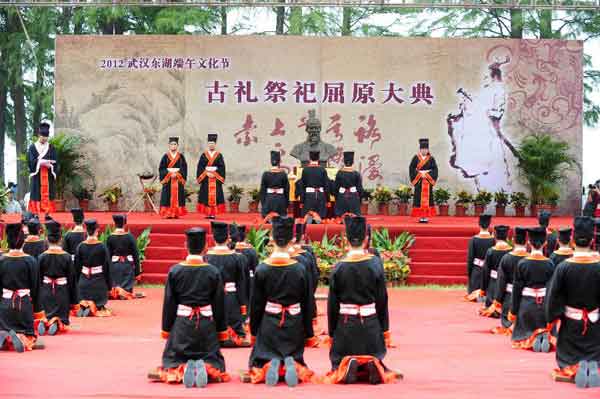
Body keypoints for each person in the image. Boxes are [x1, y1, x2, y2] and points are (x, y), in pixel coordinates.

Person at [148, 227, 230, 387]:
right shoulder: (213, 272)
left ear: (186, 245)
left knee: (172, 360)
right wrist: (221, 331)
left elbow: (169, 303)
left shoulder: (175, 271)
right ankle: (204, 364)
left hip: (182, 327)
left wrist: (166, 329)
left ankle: (183, 366)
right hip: (206, 328)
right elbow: (219, 304)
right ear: (206, 247)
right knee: (214, 361)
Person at [323, 216, 397, 385]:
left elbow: (332, 305)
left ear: (345, 239)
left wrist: (333, 333)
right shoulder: (375, 264)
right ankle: (372, 361)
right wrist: (384, 330)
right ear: (366, 239)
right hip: (370, 325)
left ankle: (347, 362)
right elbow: (382, 300)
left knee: (339, 360)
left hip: (346, 326)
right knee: (374, 351)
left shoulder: (339, 267)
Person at [247, 216, 317, 386]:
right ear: (293, 240)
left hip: (270, 325)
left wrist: (254, 331)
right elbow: (308, 303)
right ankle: (290, 360)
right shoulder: (300, 269)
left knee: (258, 359)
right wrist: (308, 332)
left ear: (271, 238)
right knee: (294, 352)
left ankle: (271, 361)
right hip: (294, 326)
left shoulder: (262, 268)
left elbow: (256, 304)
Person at [546, 217, 600, 388]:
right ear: (592, 240)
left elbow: (553, 297)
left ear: (572, 239)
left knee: (567, 359)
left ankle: (574, 366)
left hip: (570, 328)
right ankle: (593, 363)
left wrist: (552, 319)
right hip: (595, 329)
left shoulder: (563, 267)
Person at [510, 227, 556, 352]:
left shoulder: (522, 264)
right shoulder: (550, 264)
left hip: (527, 307)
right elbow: (552, 290)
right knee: (546, 323)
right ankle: (544, 334)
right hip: (544, 307)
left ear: (529, 242)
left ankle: (532, 337)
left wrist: (513, 311)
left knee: (523, 331)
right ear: (545, 242)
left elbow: (516, 290)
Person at [0, 223, 44, 352]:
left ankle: (6, 335)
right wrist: (38, 313)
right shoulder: (30, 261)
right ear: (23, 242)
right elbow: (35, 290)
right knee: (30, 335)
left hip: (5, 306)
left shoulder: (1, 261)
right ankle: (20, 336)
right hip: (23, 306)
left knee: (3, 327)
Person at [205, 222, 249, 347]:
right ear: (228, 237)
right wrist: (243, 305)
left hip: (212, 298)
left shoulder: (207, 257)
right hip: (231, 297)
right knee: (235, 320)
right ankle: (235, 335)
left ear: (213, 237)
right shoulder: (237, 258)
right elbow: (241, 283)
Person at [37, 220, 79, 336]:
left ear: (47, 239)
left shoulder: (41, 257)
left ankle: (44, 321)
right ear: (61, 239)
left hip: (46, 290)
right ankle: (56, 322)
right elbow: (71, 280)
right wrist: (74, 301)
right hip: (62, 292)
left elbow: (38, 279)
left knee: (45, 311)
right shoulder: (66, 257)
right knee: (60, 314)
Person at [485, 227, 529, 335]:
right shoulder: (532, 260)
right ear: (527, 241)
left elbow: (501, 283)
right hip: (527, 302)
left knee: (507, 319)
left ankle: (511, 325)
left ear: (513, 240)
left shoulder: (506, 258)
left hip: (509, 301)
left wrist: (497, 301)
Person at [75, 219, 112, 317]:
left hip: (83, 284)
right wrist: (109, 286)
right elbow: (107, 268)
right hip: (98, 285)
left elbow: (77, 268)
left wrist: (77, 284)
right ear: (97, 231)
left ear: (86, 230)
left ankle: (84, 305)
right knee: (99, 303)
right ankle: (95, 306)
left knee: (83, 298)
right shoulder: (102, 247)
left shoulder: (80, 246)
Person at [107, 214, 141, 300]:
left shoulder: (110, 237)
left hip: (114, 266)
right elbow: (136, 255)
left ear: (115, 224)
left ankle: (117, 290)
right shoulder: (130, 237)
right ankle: (125, 291)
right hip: (127, 266)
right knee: (128, 286)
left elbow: (107, 256)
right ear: (124, 224)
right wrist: (137, 272)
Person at [27, 122, 58, 214]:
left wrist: (51, 165)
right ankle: (35, 212)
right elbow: (30, 161)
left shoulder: (51, 147)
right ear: (39, 135)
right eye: (42, 138)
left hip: (48, 174)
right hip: (37, 175)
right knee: (36, 192)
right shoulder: (32, 147)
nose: (44, 140)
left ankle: (48, 211)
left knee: (48, 192)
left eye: (46, 138)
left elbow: (55, 160)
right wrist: (39, 162)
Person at [479, 225, 512, 311]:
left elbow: (485, 271)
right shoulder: (511, 252)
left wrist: (483, 289)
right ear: (507, 236)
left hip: (493, 286)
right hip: (507, 289)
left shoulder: (491, 251)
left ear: (495, 235)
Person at [465, 214, 495, 302]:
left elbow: (470, 258)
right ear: (489, 225)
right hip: (489, 272)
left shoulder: (474, 239)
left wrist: (470, 272)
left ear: (479, 224)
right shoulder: (493, 240)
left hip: (476, 271)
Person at [196, 133, 226, 219]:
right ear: (207, 144)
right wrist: (206, 173)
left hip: (215, 179)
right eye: (210, 143)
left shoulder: (219, 155)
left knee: (215, 196)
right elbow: (200, 167)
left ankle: (213, 213)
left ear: (215, 144)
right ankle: (207, 213)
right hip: (206, 178)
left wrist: (214, 174)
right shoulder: (203, 155)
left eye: (213, 143)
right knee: (206, 196)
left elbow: (222, 167)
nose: (211, 145)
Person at [159, 136, 188, 219]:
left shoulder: (181, 157)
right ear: (169, 145)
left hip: (178, 179)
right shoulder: (165, 156)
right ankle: (167, 213)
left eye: (175, 144)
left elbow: (184, 168)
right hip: (168, 179)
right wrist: (169, 174)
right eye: (172, 144)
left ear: (177, 145)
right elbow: (161, 168)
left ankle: (176, 213)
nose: (173, 146)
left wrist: (178, 174)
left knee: (178, 195)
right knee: (167, 196)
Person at [296, 151, 329, 222]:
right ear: (318, 158)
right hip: (320, 196)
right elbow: (326, 186)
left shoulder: (305, 170)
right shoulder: (322, 169)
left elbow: (302, 186)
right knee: (320, 218)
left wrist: (301, 201)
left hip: (308, 197)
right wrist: (328, 200)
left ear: (310, 158)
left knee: (308, 219)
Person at [409, 138, 438, 220]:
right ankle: (420, 216)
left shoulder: (431, 159)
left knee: (428, 199)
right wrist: (419, 174)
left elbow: (435, 169)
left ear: (428, 149)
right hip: (419, 181)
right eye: (422, 149)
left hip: (427, 182)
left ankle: (426, 216)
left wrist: (427, 175)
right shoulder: (416, 158)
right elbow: (411, 168)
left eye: (426, 149)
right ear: (420, 149)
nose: (424, 151)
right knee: (418, 198)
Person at [259, 150, 289, 220]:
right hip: (280, 200)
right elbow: (287, 190)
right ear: (279, 162)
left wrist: (264, 203)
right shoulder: (283, 174)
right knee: (282, 218)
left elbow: (262, 191)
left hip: (269, 199)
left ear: (271, 161)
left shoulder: (265, 174)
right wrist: (286, 203)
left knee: (267, 218)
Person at [333, 151, 364, 218]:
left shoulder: (339, 173)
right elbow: (360, 189)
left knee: (341, 217)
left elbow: (335, 188)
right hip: (353, 197)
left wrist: (337, 197)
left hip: (341, 197)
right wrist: (360, 199)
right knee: (354, 216)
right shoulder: (356, 174)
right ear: (353, 162)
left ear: (344, 162)